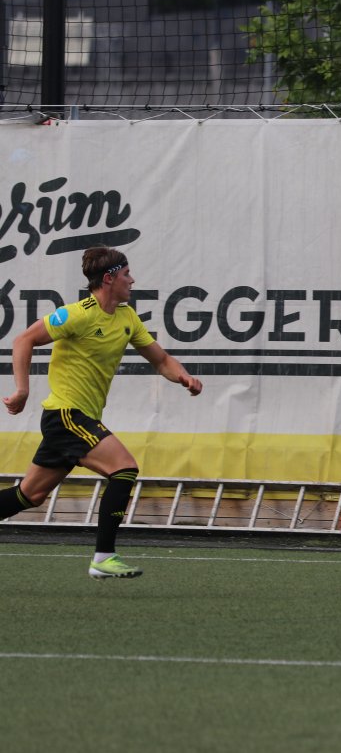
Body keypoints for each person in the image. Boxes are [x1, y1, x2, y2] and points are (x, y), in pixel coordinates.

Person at [0, 246, 203, 579]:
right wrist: (22, 389)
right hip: (66, 415)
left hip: (80, 419)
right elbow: (24, 340)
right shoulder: (77, 314)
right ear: (109, 279)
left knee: (30, 495)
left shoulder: (127, 318)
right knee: (124, 468)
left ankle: (103, 557)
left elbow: (162, 360)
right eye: (126, 274)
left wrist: (182, 376)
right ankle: (104, 557)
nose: (132, 280)